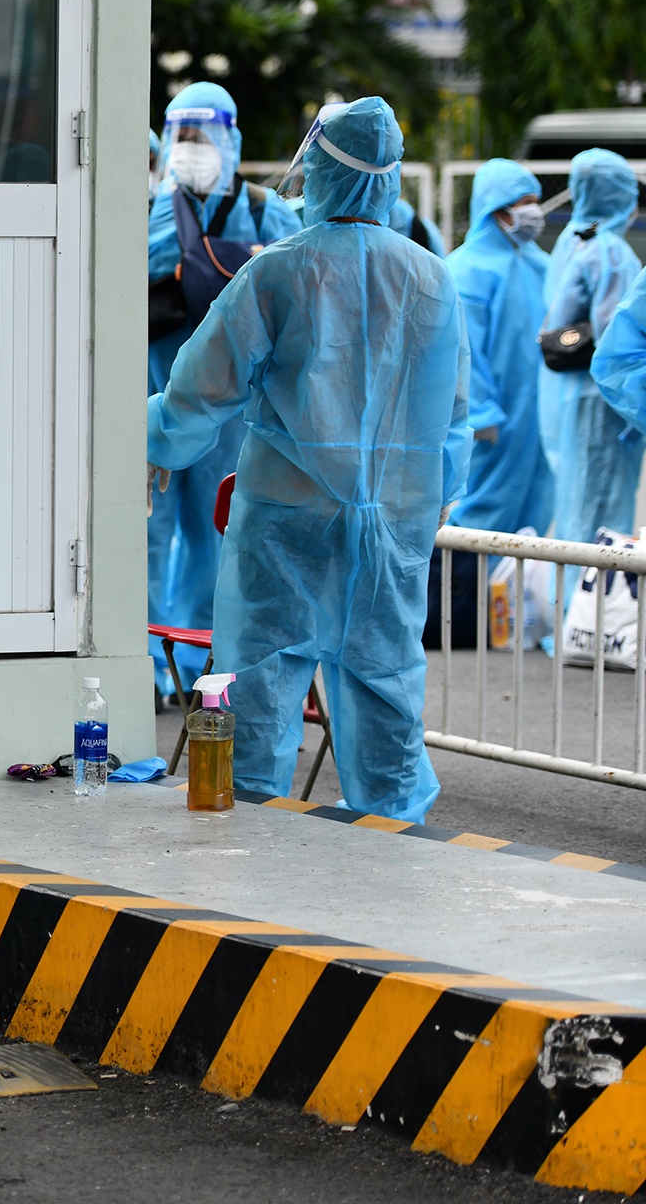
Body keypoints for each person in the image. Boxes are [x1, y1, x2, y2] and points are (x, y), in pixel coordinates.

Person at [147, 97, 469, 823]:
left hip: (285, 523)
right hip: (390, 524)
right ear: (386, 180)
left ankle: (249, 829)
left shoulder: (279, 272)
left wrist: (145, 439)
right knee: (384, 682)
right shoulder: (430, 278)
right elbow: (453, 418)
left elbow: (198, 394)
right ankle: (394, 834)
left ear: (318, 169)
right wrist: (423, 506)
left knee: (256, 683)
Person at [146, 83, 303, 693]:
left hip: (234, 419)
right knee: (146, 547)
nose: (190, 149)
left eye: (202, 136)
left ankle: (204, 673)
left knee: (219, 549)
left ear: (230, 138)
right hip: (156, 404)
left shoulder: (268, 213)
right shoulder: (149, 211)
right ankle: (149, 669)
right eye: (180, 136)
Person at [542, 150, 641, 556]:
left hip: (564, 400)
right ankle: (587, 618)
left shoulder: (570, 240)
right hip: (600, 403)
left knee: (574, 515)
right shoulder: (611, 252)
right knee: (600, 527)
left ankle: (568, 611)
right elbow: (617, 344)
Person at [446, 159, 550, 535]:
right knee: (482, 516)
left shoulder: (542, 266)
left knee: (535, 519)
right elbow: (459, 351)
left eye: (535, 200)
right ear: (495, 206)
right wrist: (480, 412)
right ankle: (468, 592)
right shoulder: (465, 269)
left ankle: (516, 595)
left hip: (536, 420)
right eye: (523, 201)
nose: (533, 212)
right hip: (492, 424)